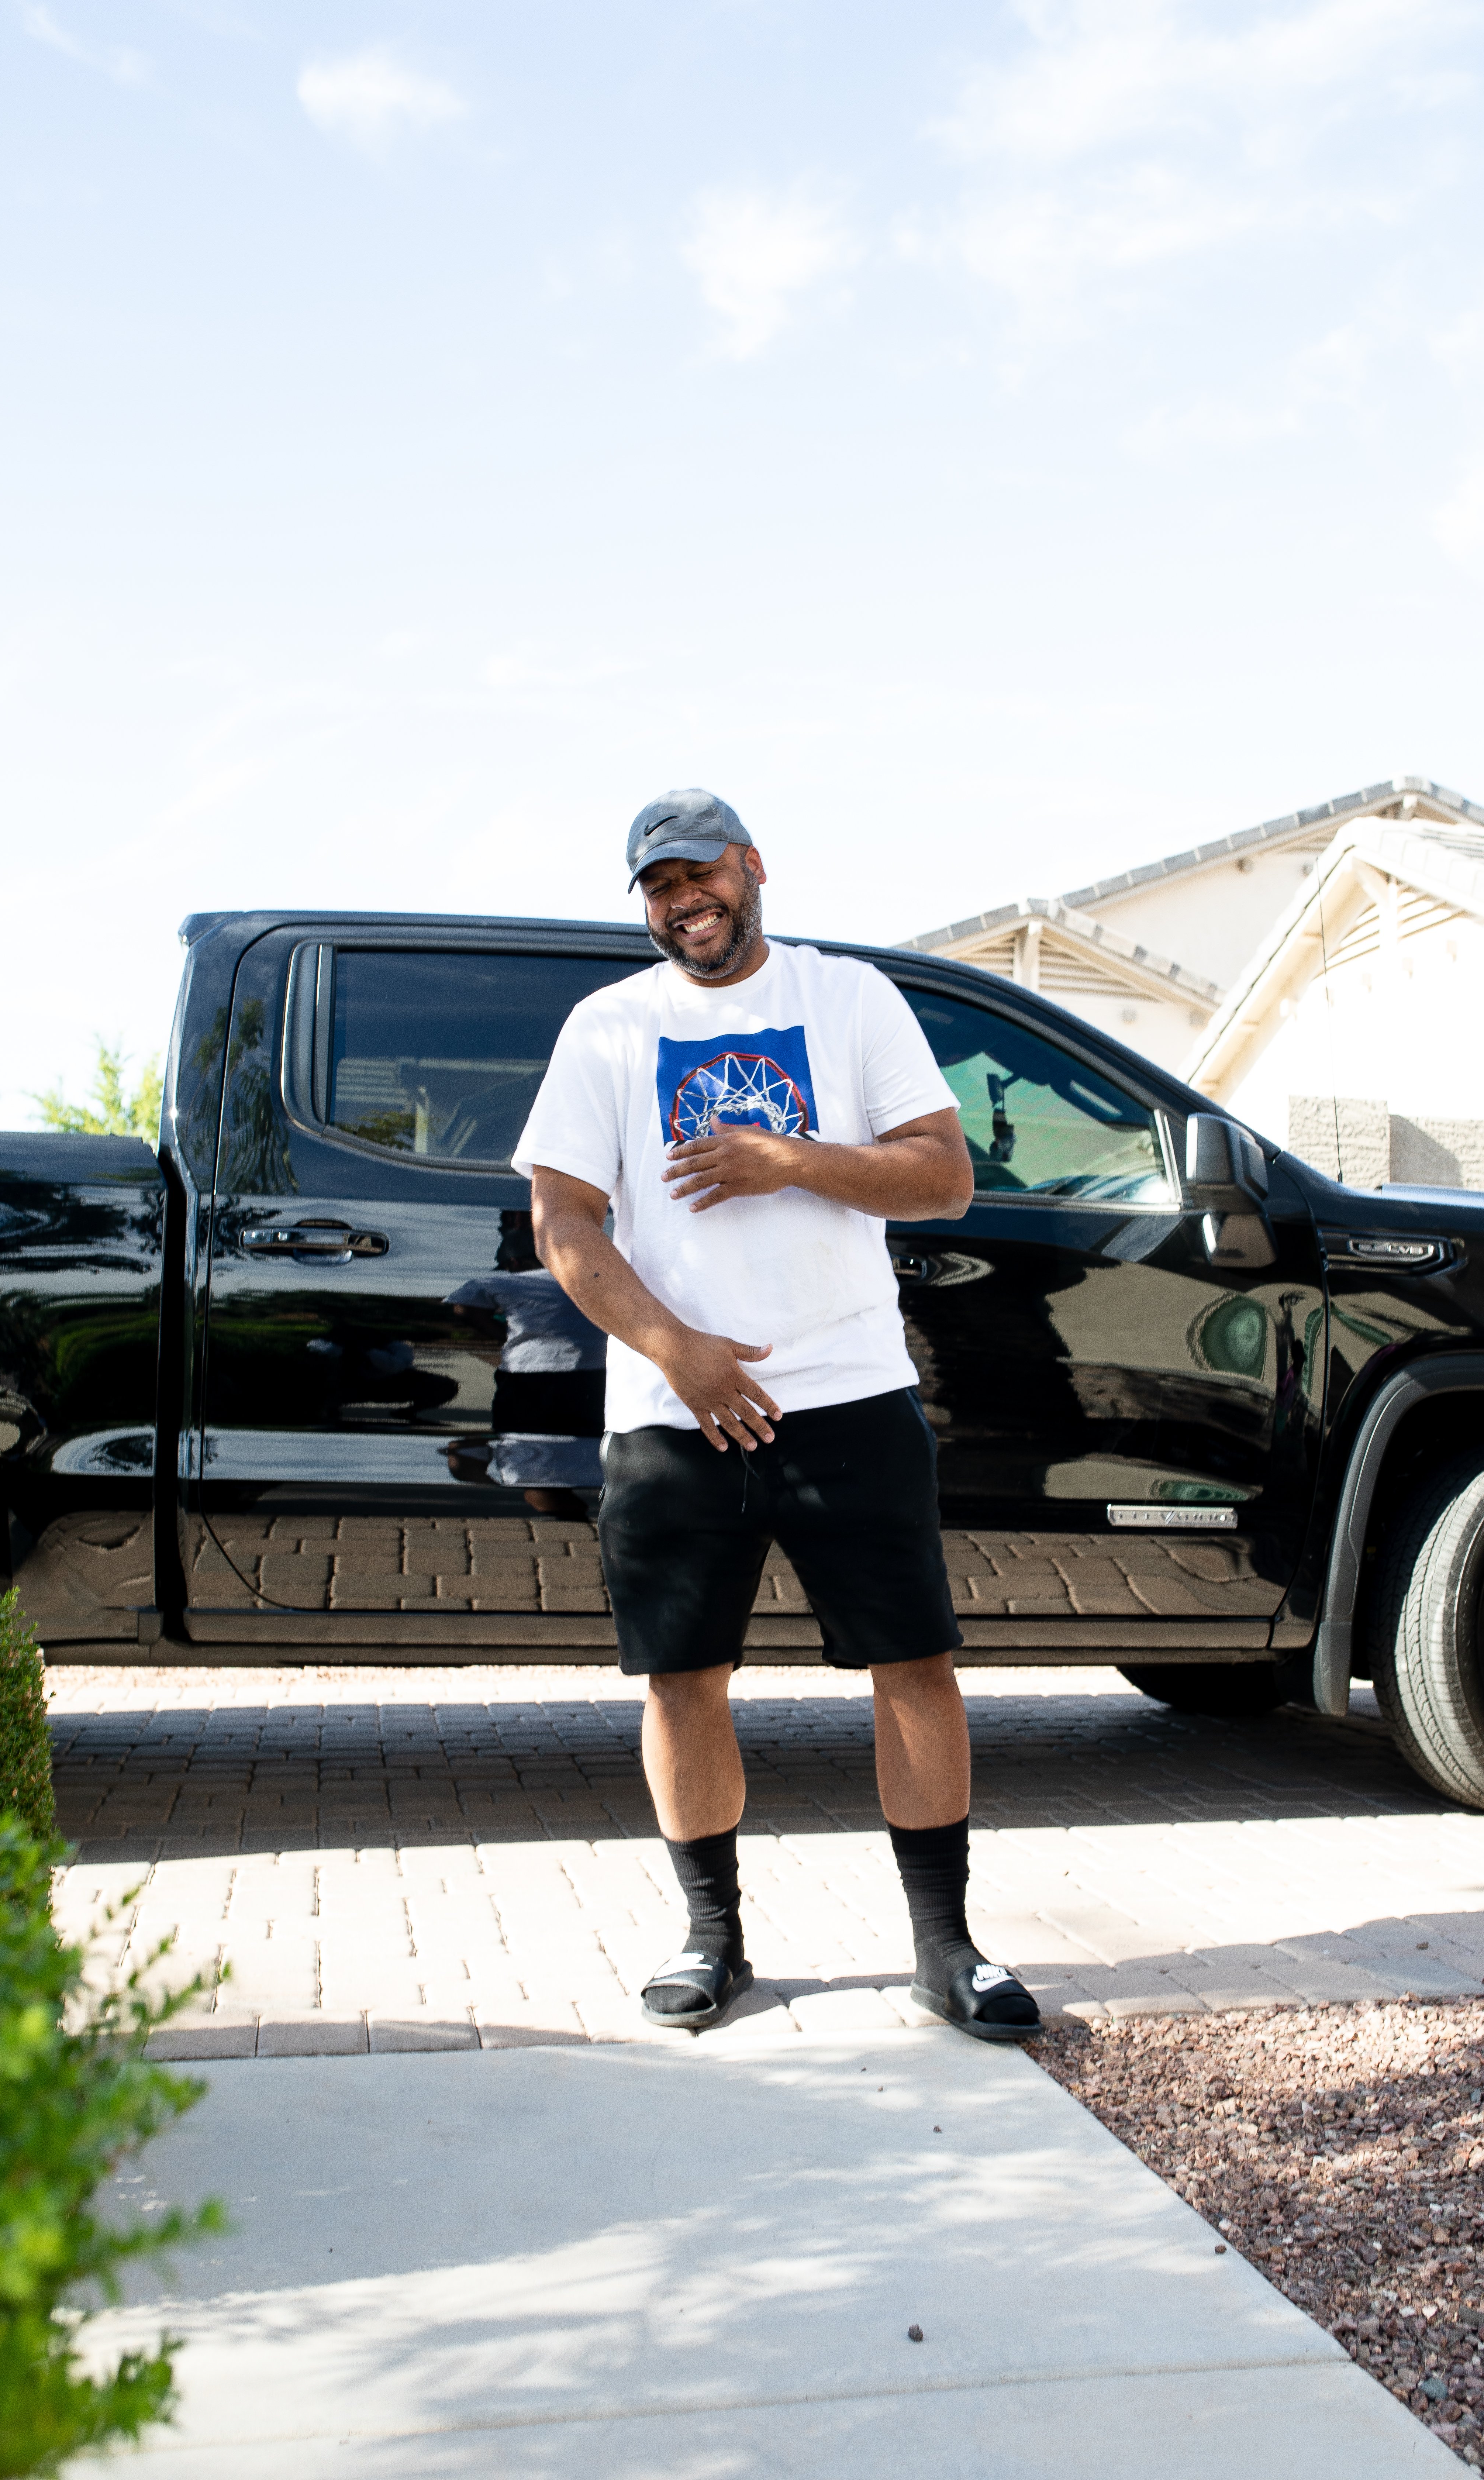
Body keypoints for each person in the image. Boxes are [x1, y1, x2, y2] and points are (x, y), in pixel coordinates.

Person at [514, 787, 1040, 2044]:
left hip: (848, 1391)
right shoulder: (608, 1029)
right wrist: (675, 1352)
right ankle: (712, 1941)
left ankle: (945, 1950)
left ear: (752, 867)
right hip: (673, 1409)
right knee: (683, 1679)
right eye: (657, 885)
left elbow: (946, 1177)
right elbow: (565, 1223)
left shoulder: (849, 999)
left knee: (915, 1664)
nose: (682, 899)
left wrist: (790, 1156)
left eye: (699, 872)